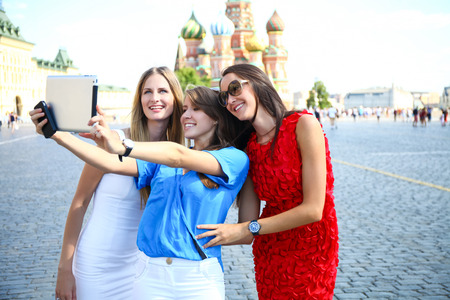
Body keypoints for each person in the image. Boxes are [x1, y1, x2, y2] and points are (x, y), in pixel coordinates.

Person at [31, 85, 249, 300]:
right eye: (184, 110)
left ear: (217, 117)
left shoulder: (234, 159)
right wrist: (59, 136)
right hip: (150, 274)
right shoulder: (162, 161)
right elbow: (110, 163)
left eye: (196, 109)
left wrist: (122, 145)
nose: (186, 116)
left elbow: (178, 155)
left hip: (198, 276)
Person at [30, 66, 184, 300]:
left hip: (148, 268)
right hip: (98, 266)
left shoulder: (182, 153)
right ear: (139, 99)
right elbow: (79, 203)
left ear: (175, 98)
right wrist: (64, 268)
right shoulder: (114, 141)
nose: (154, 98)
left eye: (163, 91)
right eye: (147, 92)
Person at [196, 64, 339, 299]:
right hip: (270, 253)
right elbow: (246, 228)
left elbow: (314, 209)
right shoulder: (248, 149)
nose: (230, 100)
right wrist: (191, 234)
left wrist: (248, 228)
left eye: (234, 88)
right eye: (224, 97)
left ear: (257, 83)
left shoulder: (303, 125)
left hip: (313, 250)